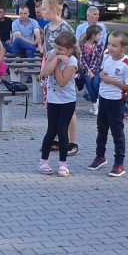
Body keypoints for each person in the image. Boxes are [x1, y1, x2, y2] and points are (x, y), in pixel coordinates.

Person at [88, 30, 128, 177]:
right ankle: (100, 156)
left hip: (116, 101)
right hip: (103, 97)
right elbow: (102, 71)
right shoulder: (107, 55)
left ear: (123, 48)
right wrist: (101, 74)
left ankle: (119, 163)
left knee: (117, 132)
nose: (110, 48)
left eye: (114, 45)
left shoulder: (127, 64)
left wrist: (112, 82)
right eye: (109, 44)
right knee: (101, 129)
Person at [40, 0, 79, 156]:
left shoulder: (65, 28)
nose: (41, 12)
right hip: (50, 66)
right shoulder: (46, 27)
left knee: (68, 109)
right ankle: (56, 139)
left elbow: (74, 48)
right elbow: (46, 48)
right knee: (52, 104)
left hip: (64, 69)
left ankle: (72, 142)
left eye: (44, 9)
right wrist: (44, 67)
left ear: (54, 10)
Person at [38, 31, 78, 177]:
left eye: (60, 49)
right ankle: (43, 161)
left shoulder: (72, 62)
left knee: (62, 130)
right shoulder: (53, 55)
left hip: (67, 100)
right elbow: (45, 72)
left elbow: (61, 82)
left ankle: (63, 163)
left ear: (70, 50)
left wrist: (54, 63)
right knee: (51, 130)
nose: (57, 51)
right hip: (53, 100)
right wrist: (55, 59)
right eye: (56, 47)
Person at [78, 25, 104, 115]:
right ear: (93, 35)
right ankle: (94, 103)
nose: (100, 37)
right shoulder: (82, 46)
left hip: (96, 69)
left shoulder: (98, 47)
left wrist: (92, 71)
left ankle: (96, 101)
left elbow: (96, 61)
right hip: (85, 70)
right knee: (88, 82)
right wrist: (88, 71)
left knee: (95, 83)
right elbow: (81, 60)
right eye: (99, 35)